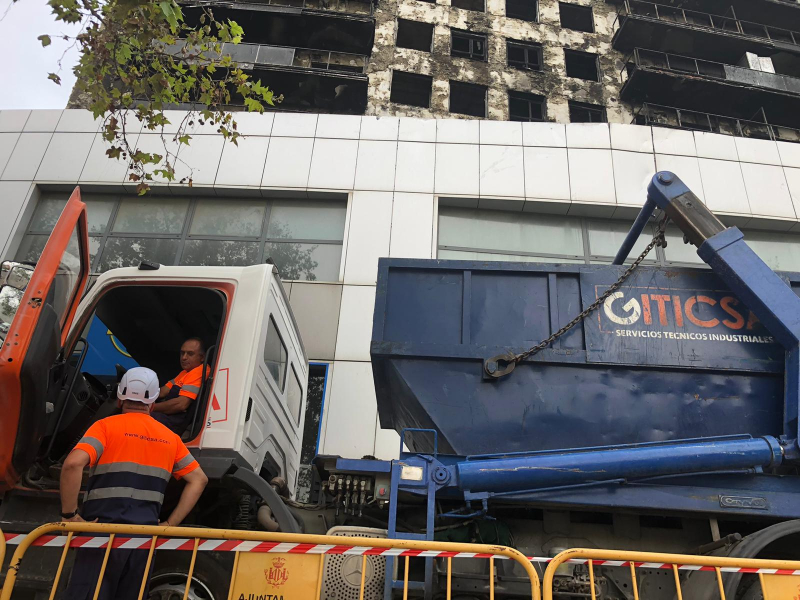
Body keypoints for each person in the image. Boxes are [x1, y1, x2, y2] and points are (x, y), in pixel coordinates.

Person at [59, 367, 208, 600]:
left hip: (101, 534)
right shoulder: (171, 438)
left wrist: (70, 516)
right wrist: (170, 523)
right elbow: (199, 479)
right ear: (153, 399)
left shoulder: (105, 427)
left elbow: (72, 465)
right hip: (143, 539)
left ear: (120, 397)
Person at [151, 337, 209, 435]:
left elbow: (181, 404)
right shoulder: (185, 372)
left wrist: (149, 407)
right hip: (166, 417)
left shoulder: (199, 372)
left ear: (202, 357)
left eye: (190, 354)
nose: (184, 357)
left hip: (174, 423)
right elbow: (163, 392)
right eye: (182, 353)